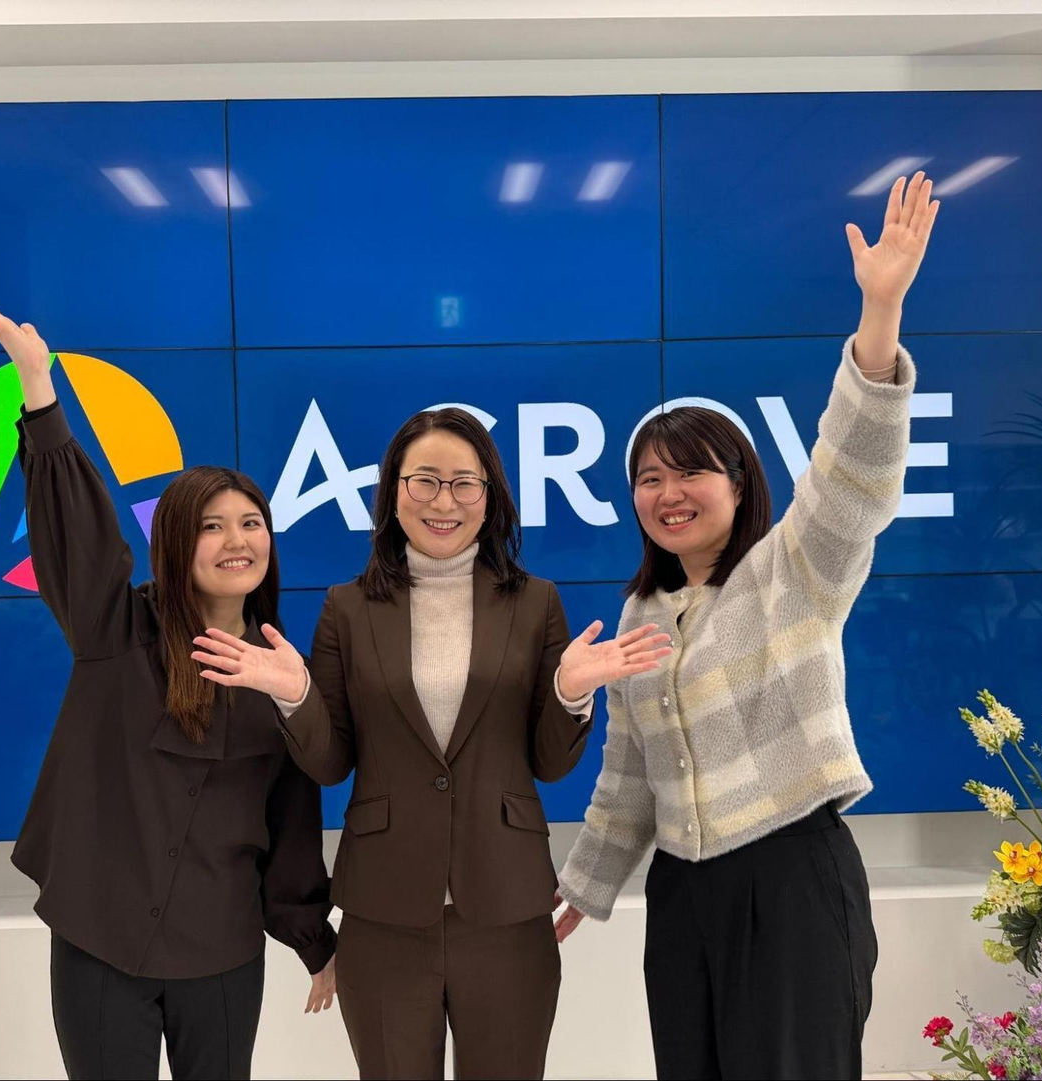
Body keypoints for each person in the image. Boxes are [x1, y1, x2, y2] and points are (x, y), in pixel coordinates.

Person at [553, 171, 942, 1080]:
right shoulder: (641, 615)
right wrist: (582, 889)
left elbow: (852, 475)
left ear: (738, 483)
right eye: (649, 478)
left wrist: (880, 312)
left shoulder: (793, 568)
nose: (668, 492)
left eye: (690, 472)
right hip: (684, 894)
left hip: (791, 880)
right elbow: (629, 775)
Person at [190, 406, 670, 1079]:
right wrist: (295, 694)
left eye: (464, 483)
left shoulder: (536, 602)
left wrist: (570, 693)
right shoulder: (347, 607)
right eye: (425, 481)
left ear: (489, 496)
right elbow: (330, 763)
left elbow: (550, 763)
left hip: (506, 905)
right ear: (394, 492)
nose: (444, 502)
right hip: (383, 910)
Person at [0, 289, 336, 1081]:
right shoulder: (116, 631)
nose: (236, 539)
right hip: (101, 942)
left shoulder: (283, 671)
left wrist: (313, 939)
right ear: (175, 542)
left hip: (222, 953)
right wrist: (38, 390)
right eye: (211, 525)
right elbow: (80, 535)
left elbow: (292, 821)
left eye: (251, 522)